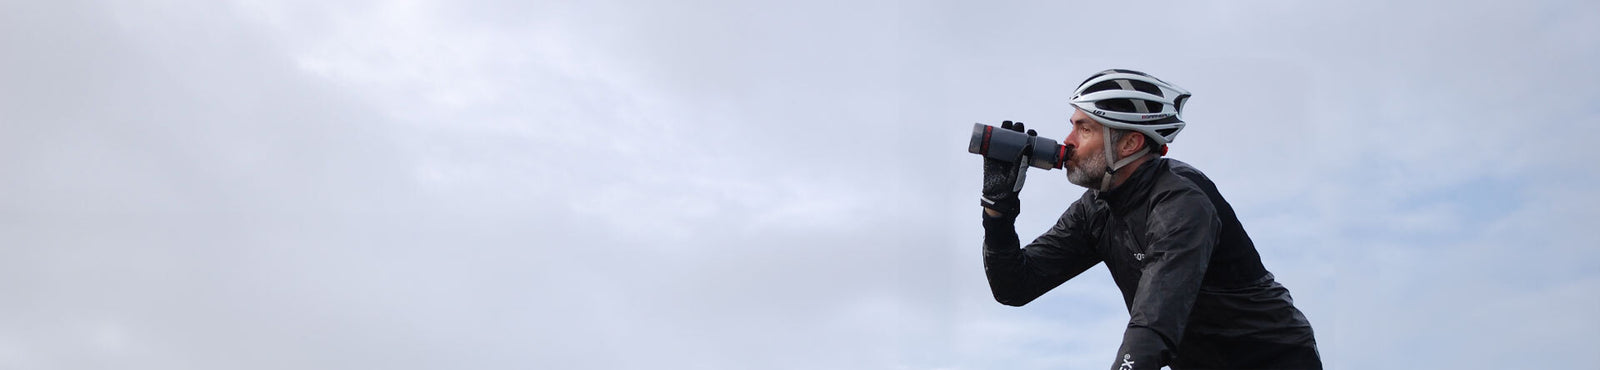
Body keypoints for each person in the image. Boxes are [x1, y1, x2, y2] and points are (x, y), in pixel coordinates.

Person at [979, 69, 1322, 370]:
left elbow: (1153, 325)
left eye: (1084, 129)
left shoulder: (1181, 203)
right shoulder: (1096, 208)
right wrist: (998, 210)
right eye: (1072, 127)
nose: (1068, 142)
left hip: (1273, 360)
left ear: (1129, 143)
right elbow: (1014, 286)